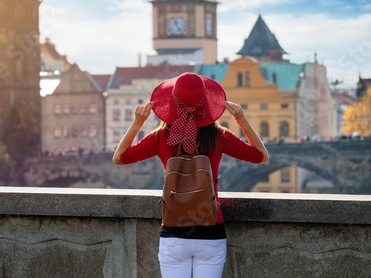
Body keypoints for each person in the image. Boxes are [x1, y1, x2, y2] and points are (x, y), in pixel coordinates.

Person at [113, 72, 269, 278]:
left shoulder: (161, 137)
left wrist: (137, 123)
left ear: (171, 103)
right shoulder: (219, 136)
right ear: (206, 105)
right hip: (211, 230)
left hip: (174, 230)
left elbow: (120, 157)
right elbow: (261, 156)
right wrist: (242, 120)